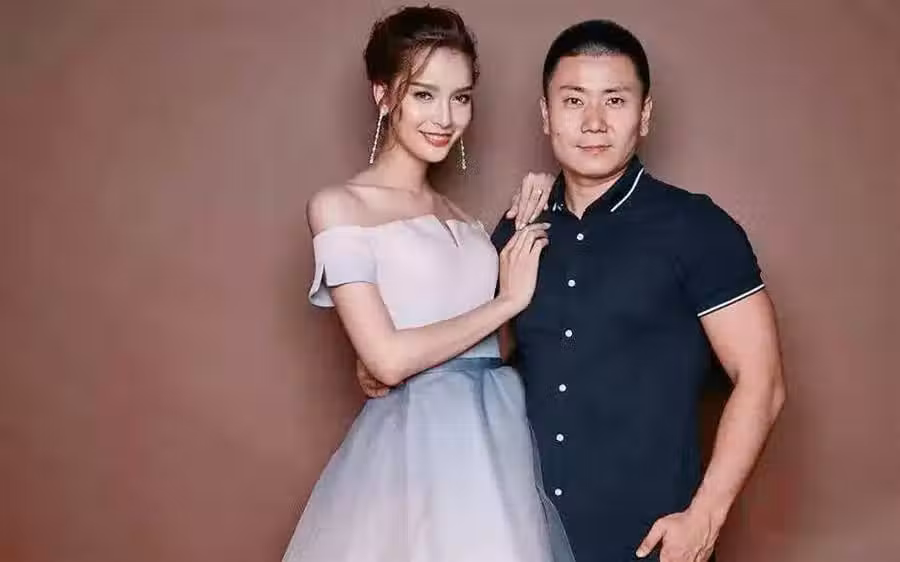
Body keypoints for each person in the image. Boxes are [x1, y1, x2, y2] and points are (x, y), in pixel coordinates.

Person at [281, 6, 574, 562]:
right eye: (423, 94)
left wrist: (541, 205)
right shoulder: (340, 207)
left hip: (496, 441)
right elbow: (388, 361)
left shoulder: (465, 221)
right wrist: (508, 301)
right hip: (414, 447)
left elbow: (497, 348)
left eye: (460, 97)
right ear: (382, 95)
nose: (445, 116)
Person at [493, 20, 787, 562]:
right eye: (574, 100)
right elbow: (478, 362)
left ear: (645, 114)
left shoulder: (697, 227)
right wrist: (384, 365)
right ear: (546, 115)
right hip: (522, 536)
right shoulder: (517, 227)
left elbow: (761, 381)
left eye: (615, 100)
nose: (594, 122)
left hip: (645, 541)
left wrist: (705, 515)